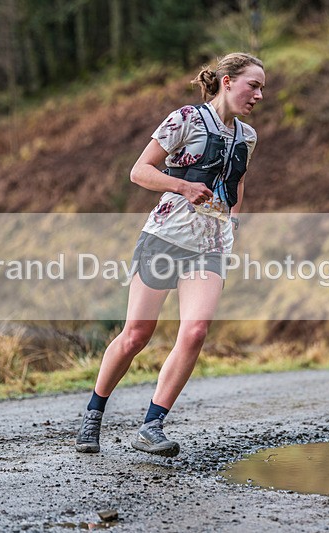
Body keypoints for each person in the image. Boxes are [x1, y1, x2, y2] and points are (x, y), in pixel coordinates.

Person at [75, 53, 265, 457]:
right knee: (136, 336)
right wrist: (182, 187)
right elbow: (139, 171)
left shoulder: (247, 136)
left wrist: (234, 223)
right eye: (254, 85)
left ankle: (152, 425)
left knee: (195, 332)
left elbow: (238, 182)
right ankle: (94, 412)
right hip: (165, 237)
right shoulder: (185, 118)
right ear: (228, 81)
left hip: (211, 246)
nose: (259, 95)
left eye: (263, 87)